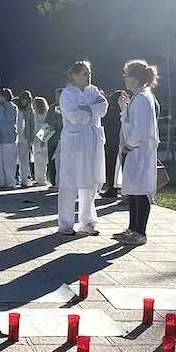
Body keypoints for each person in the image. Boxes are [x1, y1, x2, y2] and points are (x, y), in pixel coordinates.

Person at [57, 60, 108, 236]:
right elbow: (73, 115)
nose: (88, 76)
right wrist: (91, 110)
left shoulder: (93, 90)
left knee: (91, 181)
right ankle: (65, 223)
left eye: (89, 73)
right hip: (74, 142)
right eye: (84, 73)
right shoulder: (67, 94)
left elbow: (104, 107)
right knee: (69, 181)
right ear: (74, 75)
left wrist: (88, 109)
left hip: (92, 140)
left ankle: (87, 221)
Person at [114, 60, 161, 246]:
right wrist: (124, 107)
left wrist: (129, 144)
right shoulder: (138, 96)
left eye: (126, 75)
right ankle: (132, 229)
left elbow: (140, 127)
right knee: (133, 191)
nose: (124, 78)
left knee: (140, 192)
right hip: (135, 151)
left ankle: (140, 232)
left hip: (139, 150)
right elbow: (130, 120)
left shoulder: (143, 98)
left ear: (134, 78)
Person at [102, 90, 127, 198]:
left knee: (112, 165)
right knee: (115, 165)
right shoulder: (120, 111)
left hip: (112, 141)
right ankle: (115, 188)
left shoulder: (112, 111)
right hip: (116, 141)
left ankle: (112, 188)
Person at [0, 88, 20, 188]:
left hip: (9, 138)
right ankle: (2, 181)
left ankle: (10, 182)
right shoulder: (0, 108)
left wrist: (1, 108)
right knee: (0, 162)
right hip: (0, 138)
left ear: (5, 96)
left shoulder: (12, 107)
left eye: (0, 96)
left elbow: (9, 119)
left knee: (9, 161)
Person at [16, 90, 36, 187]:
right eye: (23, 99)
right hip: (16, 136)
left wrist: (31, 139)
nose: (25, 101)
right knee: (16, 159)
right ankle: (18, 178)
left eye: (27, 99)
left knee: (24, 159)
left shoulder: (31, 111)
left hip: (25, 137)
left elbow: (32, 125)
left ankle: (25, 179)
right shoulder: (17, 109)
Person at [31, 96, 52, 186]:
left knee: (42, 159)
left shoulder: (47, 114)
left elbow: (48, 127)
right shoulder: (35, 114)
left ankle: (42, 179)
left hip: (43, 139)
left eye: (35, 105)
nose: (33, 106)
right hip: (36, 139)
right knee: (37, 159)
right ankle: (38, 178)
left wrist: (42, 139)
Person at [46, 88, 64, 188]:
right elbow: (47, 123)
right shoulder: (52, 108)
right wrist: (42, 139)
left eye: (59, 96)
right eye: (56, 96)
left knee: (60, 162)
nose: (57, 98)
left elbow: (57, 124)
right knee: (52, 162)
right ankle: (53, 182)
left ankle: (59, 182)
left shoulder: (65, 108)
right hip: (51, 140)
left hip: (61, 139)